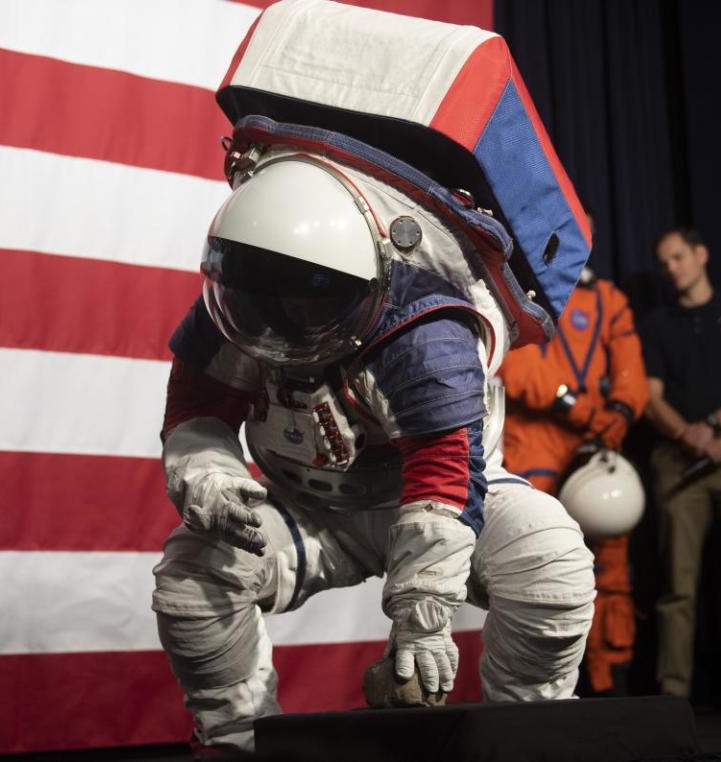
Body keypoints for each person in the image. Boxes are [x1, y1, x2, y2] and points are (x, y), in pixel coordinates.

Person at [150, 121, 595, 754]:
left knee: (549, 560)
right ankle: (235, 738)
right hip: (312, 511)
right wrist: (211, 479)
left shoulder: (424, 328)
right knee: (193, 576)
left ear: (363, 280)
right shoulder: (234, 310)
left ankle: (529, 731)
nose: (288, 313)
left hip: (442, 500)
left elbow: (444, 475)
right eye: (265, 288)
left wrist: (424, 618)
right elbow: (195, 413)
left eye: (310, 294)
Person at [496, 216, 650, 695]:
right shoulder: (520, 295)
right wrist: (584, 409)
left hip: (594, 448)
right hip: (538, 447)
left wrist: (619, 416)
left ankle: (610, 678)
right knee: (540, 570)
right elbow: (517, 368)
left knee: (610, 570)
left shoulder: (607, 300)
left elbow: (631, 375)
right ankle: (550, 684)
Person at [640, 227, 721, 699]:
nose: (672, 269)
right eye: (664, 262)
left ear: (701, 253)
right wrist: (687, 434)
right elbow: (650, 397)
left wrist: (715, 425)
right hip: (680, 458)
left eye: (678, 257)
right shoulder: (657, 323)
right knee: (678, 587)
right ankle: (673, 699)